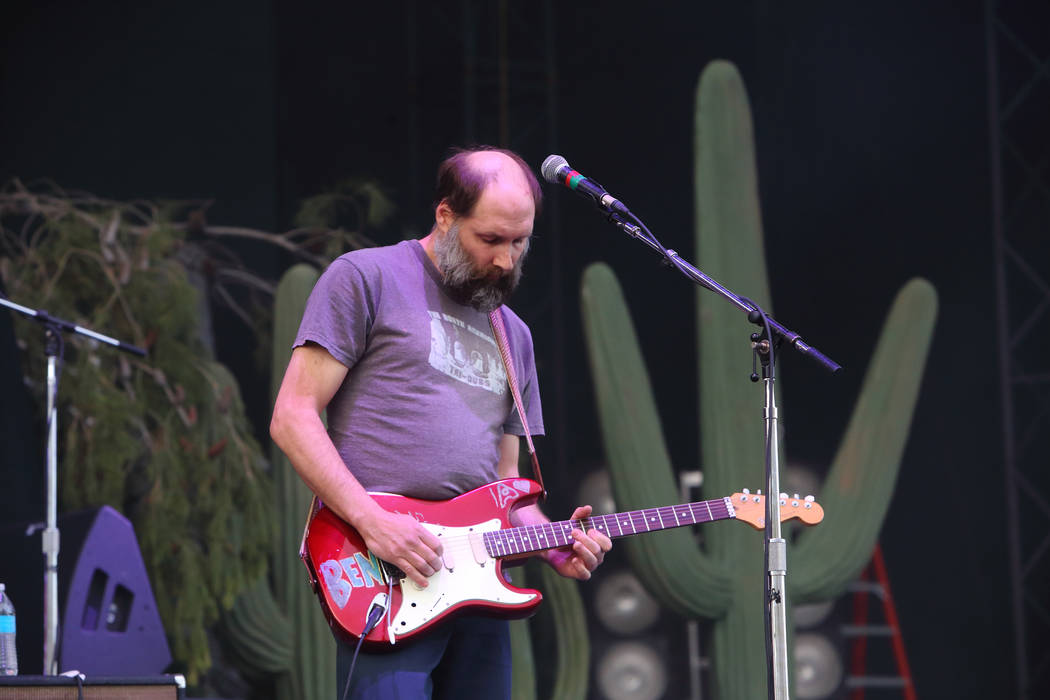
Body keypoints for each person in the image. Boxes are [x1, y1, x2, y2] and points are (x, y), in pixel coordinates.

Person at [270, 146, 613, 699]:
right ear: (446, 217)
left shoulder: (515, 337)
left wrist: (553, 546)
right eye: (491, 240)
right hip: (383, 567)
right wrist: (371, 521)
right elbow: (291, 417)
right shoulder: (367, 278)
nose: (506, 260)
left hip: (476, 588)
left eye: (519, 242)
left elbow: (507, 490)